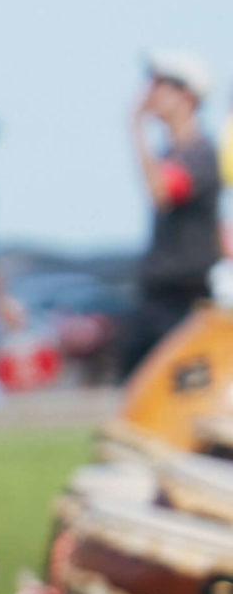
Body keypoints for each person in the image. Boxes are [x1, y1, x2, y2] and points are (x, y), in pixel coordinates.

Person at [123, 51, 223, 374]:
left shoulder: (200, 154)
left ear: (186, 97)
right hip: (158, 297)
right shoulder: (171, 154)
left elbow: (161, 192)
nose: (149, 93)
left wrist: (135, 125)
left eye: (159, 84)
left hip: (185, 302)